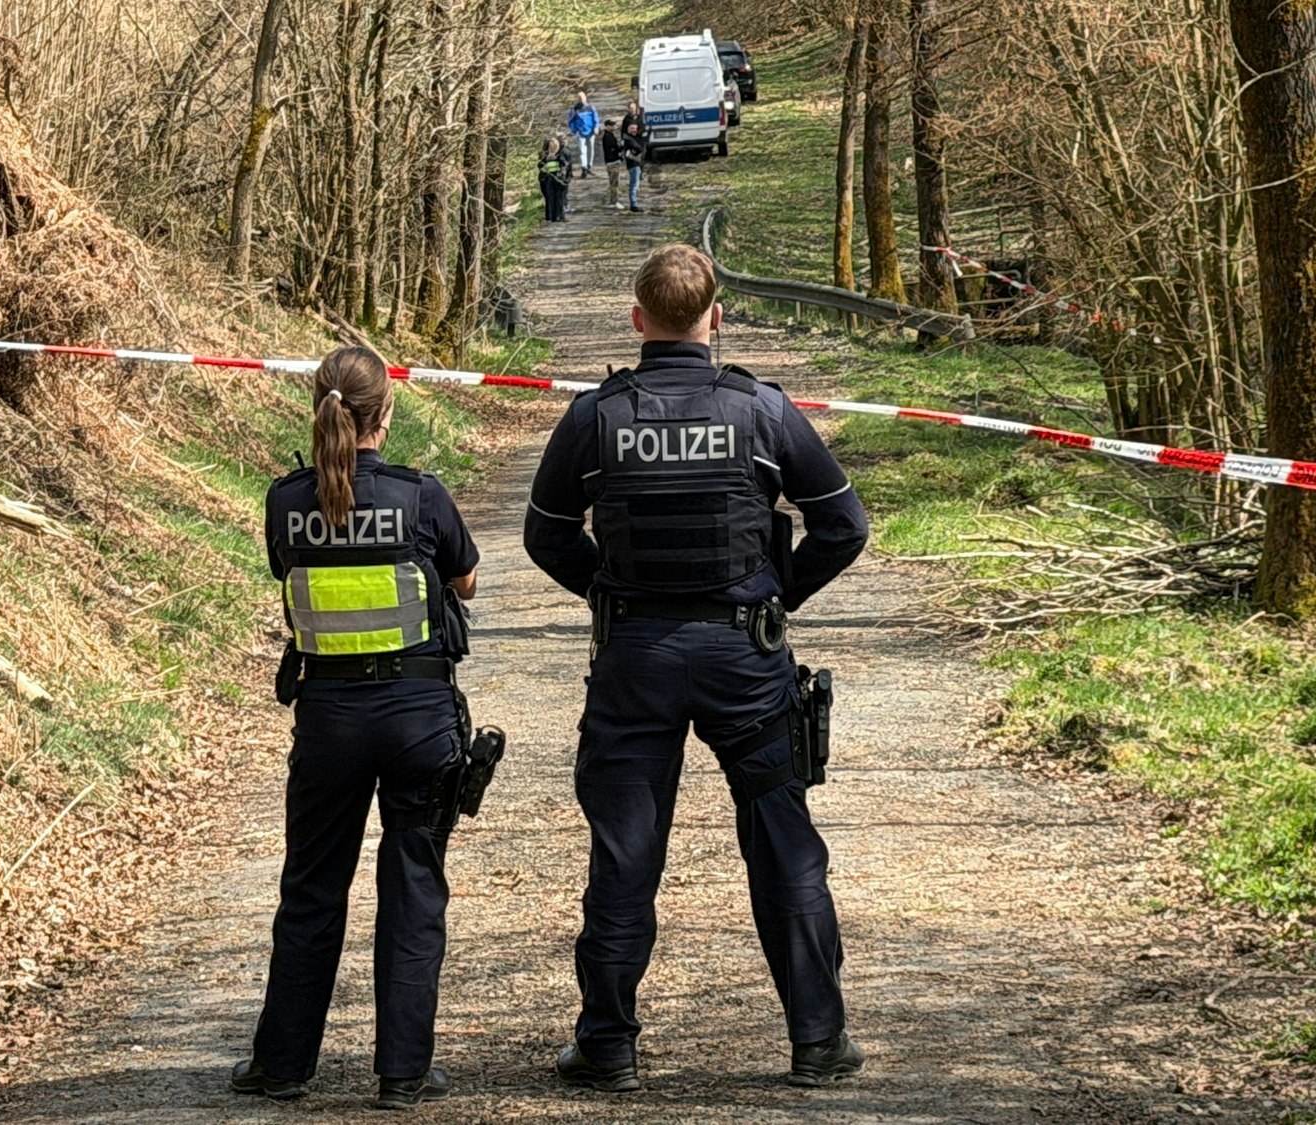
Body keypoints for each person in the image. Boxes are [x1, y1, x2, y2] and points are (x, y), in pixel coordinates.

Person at [523, 245, 871, 1091]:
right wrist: (773, 594)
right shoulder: (763, 412)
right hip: (744, 659)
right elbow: (844, 527)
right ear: (716, 318)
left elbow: (545, 534)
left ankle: (608, 1046)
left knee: (625, 852)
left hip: (636, 656)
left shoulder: (596, 417)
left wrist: (610, 587)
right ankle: (818, 1042)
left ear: (637, 319)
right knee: (783, 842)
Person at [231, 347, 482, 1111]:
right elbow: (464, 579)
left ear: (320, 408)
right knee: (413, 891)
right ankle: (402, 1072)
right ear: (389, 413)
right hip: (417, 720)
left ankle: (282, 1065)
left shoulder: (285, 503)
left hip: (328, 721)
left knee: (310, 889)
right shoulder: (422, 496)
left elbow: (288, 568)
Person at [566, 91, 599, 178]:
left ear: (585, 98)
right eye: (579, 98)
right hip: (580, 133)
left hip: (591, 132)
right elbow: (571, 121)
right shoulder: (574, 109)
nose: (581, 99)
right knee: (582, 151)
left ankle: (589, 166)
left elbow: (596, 118)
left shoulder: (591, 107)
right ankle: (584, 168)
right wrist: (574, 131)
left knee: (591, 150)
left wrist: (596, 128)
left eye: (582, 98)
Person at [538, 135, 570, 222]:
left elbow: (541, 166)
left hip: (551, 180)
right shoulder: (556, 156)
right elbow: (565, 165)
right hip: (556, 179)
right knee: (557, 198)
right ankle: (557, 216)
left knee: (552, 198)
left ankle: (553, 216)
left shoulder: (547, 157)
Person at [620, 121, 647, 213]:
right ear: (628, 130)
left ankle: (634, 203)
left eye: (635, 128)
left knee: (636, 184)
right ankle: (633, 205)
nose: (634, 130)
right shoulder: (628, 139)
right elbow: (639, 148)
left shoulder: (637, 138)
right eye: (631, 128)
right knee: (634, 185)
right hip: (633, 165)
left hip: (638, 164)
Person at [599, 121, 623, 210]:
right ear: (607, 126)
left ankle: (614, 201)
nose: (613, 127)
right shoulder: (607, 136)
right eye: (612, 125)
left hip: (613, 161)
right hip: (612, 162)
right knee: (614, 183)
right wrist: (620, 147)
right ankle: (614, 201)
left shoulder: (610, 135)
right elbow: (614, 148)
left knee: (614, 182)